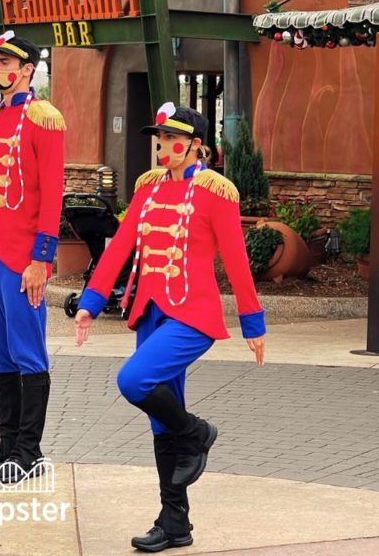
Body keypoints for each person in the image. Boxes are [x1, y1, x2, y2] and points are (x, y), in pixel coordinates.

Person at [74, 102, 266, 553]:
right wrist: (91, 302)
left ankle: (198, 433)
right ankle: (174, 522)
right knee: (162, 420)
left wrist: (252, 321)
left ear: (196, 145)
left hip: (192, 314)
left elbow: (236, 260)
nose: (163, 147)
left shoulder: (216, 192)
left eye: (173, 140)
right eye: (159, 140)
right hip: (150, 312)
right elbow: (120, 246)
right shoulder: (147, 189)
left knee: (133, 380)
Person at [0, 30, 65, 485]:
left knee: (27, 353)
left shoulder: (44, 118)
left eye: (6, 62)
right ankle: (7, 445)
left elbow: (52, 194)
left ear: (27, 70)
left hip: (22, 255)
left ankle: (29, 450)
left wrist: (42, 257)